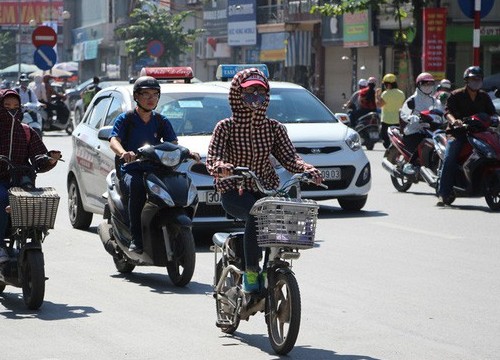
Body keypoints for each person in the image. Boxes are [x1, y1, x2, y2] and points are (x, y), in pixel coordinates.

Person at [206, 68, 323, 294]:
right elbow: (214, 155)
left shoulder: (273, 128)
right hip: (234, 191)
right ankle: (251, 272)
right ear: (237, 94)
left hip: (266, 188)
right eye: (249, 92)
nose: (255, 98)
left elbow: (290, 158)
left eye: (260, 92)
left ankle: (272, 264)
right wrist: (221, 168)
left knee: (279, 217)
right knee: (256, 214)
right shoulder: (226, 127)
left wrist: (308, 169)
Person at [109, 76, 199, 253]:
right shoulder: (125, 119)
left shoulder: (161, 120)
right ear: (136, 96)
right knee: (137, 188)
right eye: (146, 94)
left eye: (155, 94)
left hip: (157, 168)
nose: (151, 98)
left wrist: (187, 152)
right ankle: (136, 238)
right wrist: (123, 153)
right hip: (132, 169)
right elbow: (114, 140)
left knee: (178, 184)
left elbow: (172, 144)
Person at [0, 89, 61, 263]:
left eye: (15, 106)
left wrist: (50, 159)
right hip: (1, 182)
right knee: (3, 197)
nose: (12, 109)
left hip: (21, 182)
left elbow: (39, 157)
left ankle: (32, 239)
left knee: (35, 201)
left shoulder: (26, 131)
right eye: (6, 106)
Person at [437, 66, 496, 206]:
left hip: (479, 133)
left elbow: (492, 113)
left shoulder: (484, 96)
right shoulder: (456, 95)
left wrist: (495, 119)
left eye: (478, 79)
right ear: (466, 80)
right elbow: (448, 112)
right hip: (458, 133)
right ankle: (443, 193)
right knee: (450, 158)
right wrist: (454, 121)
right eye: (473, 79)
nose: (476, 81)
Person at [399, 72, 443, 175]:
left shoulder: (435, 101)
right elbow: (403, 114)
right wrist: (412, 118)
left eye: (430, 84)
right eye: (424, 84)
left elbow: (441, 112)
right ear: (419, 85)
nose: (428, 86)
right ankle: (410, 164)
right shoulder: (412, 100)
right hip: (414, 130)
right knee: (421, 143)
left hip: (430, 129)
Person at [375, 73, 406, 149]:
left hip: (386, 121)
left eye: (385, 84)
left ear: (388, 85)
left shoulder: (386, 94)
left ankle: (389, 150)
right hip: (398, 121)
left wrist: (376, 96)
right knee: (397, 139)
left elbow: (379, 105)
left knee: (385, 139)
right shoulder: (401, 93)